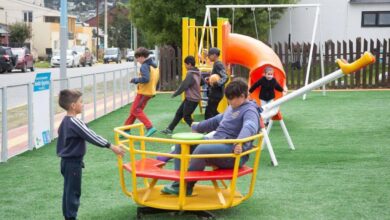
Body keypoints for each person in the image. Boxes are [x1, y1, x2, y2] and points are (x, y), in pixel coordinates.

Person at [161, 78, 260, 196]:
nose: (229, 101)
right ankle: (177, 183)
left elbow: (250, 126)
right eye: (228, 98)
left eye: (232, 98)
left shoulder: (250, 110)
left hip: (233, 154)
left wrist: (239, 143)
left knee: (203, 149)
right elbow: (216, 120)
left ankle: (186, 186)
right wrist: (198, 126)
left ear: (243, 96)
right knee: (182, 144)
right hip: (218, 143)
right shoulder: (232, 107)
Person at [57, 89, 125, 220]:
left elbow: (61, 135)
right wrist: (111, 146)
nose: (83, 104)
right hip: (73, 163)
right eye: (81, 102)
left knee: (68, 191)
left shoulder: (65, 121)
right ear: (73, 105)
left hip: (66, 162)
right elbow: (91, 135)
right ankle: (71, 217)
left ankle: (68, 216)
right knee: (73, 192)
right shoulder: (75, 122)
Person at [160, 56, 204, 135]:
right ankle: (170, 129)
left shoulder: (190, 73)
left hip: (192, 99)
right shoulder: (198, 72)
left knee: (186, 117)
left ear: (189, 64)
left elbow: (184, 86)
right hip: (192, 98)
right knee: (179, 113)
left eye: (185, 65)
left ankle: (199, 129)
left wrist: (175, 94)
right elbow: (202, 82)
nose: (185, 66)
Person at [124, 47, 159, 137]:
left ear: (142, 57)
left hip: (144, 92)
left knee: (135, 110)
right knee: (135, 111)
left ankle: (149, 127)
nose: (137, 61)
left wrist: (135, 79)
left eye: (137, 58)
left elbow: (146, 79)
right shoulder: (154, 65)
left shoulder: (144, 66)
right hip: (150, 91)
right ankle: (126, 129)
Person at [205, 47, 228, 120]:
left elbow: (225, 77)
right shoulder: (216, 64)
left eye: (209, 55)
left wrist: (216, 83)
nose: (208, 56)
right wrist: (209, 80)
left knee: (209, 113)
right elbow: (218, 76)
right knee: (213, 112)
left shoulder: (218, 64)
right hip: (216, 93)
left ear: (214, 55)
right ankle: (225, 122)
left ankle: (208, 129)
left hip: (216, 93)